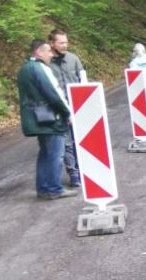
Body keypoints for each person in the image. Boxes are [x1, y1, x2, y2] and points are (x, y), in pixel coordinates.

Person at [17, 39, 76, 200]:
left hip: (37, 119)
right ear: (38, 52)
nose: (51, 54)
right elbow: (53, 93)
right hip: (49, 119)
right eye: (48, 51)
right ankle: (54, 189)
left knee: (45, 154)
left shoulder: (25, 69)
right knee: (55, 155)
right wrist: (67, 112)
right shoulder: (40, 68)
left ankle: (43, 188)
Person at [48, 29, 85, 188]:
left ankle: (85, 169)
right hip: (59, 109)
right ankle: (74, 174)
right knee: (67, 143)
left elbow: (82, 78)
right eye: (61, 42)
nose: (65, 45)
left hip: (78, 106)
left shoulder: (73, 59)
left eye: (66, 42)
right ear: (52, 43)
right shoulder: (47, 63)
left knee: (81, 139)